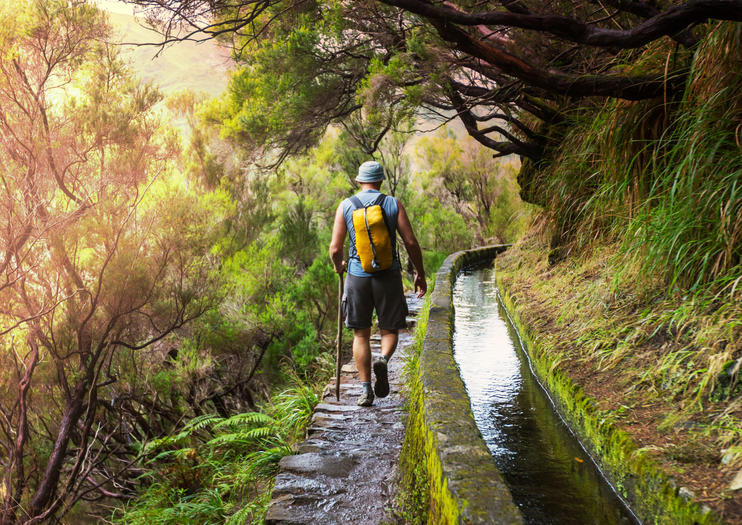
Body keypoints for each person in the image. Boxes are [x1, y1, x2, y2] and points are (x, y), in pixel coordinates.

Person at [329, 160, 427, 406]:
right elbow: (411, 243)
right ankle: (382, 360)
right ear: (381, 180)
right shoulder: (393, 204)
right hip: (388, 275)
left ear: (359, 180)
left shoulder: (346, 205)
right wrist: (420, 273)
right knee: (389, 329)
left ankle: (365, 391)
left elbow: (335, 249)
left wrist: (338, 266)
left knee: (360, 334)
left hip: (357, 276)